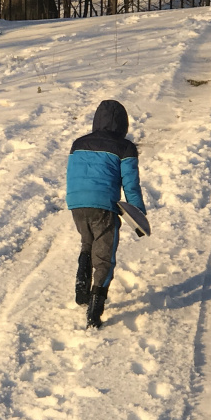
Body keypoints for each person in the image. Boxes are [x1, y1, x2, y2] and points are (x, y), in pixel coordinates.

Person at [65, 99, 146, 329]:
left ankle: (82, 277)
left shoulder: (78, 143)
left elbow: (73, 172)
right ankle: (95, 309)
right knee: (105, 257)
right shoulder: (125, 148)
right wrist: (138, 215)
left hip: (77, 202)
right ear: (123, 124)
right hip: (103, 206)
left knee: (87, 241)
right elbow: (131, 185)